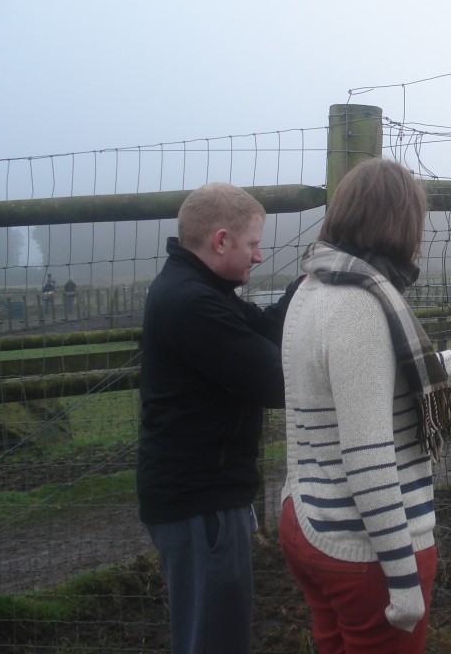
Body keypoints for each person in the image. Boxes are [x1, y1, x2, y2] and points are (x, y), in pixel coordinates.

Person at [279, 158, 451, 653]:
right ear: (399, 223)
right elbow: (368, 458)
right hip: (363, 546)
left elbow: (385, 375)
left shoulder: (313, 287)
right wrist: (403, 579)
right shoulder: (361, 306)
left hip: (307, 520)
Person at [136, 182, 302, 654]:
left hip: (201, 499)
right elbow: (273, 378)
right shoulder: (193, 302)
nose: (258, 256)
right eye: (252, 244)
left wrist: (307, 282)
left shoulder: (199, 289)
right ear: (221, 240)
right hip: (200, 505)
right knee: (212, 639)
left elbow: (263, 330)